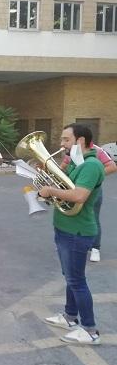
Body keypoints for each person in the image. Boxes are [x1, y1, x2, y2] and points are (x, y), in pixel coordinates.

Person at [39, 124, 104, 345]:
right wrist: (47, 187)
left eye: (66, 140)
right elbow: (63, 190)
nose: (61, 144)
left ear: (81, 141)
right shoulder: (78, 163)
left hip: (77, 231)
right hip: (66, 227)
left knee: (77, 281)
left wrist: (51, 191)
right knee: (70, 277)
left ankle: (90, 329)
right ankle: (69, 317)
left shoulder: (92, 165)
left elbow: (78, 195)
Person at [60, 138, 116, 262]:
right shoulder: (71, 151)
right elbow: (63, 167)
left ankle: (95, 249)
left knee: (92, 218)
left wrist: (93, 175)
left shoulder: (96, 150)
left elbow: (112, 166)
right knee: (73, 218)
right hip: (73, 190)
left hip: (92, 191)